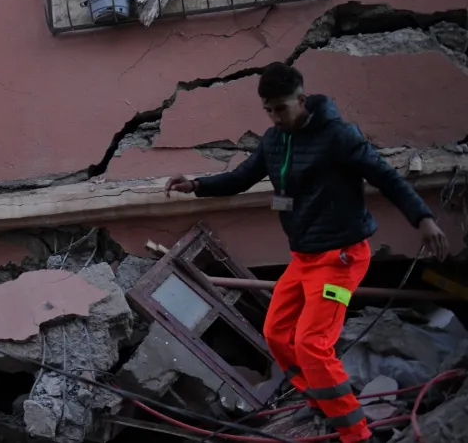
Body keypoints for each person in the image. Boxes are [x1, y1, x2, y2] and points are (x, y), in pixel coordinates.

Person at [165, 62, 448, 443]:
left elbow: (386, 177)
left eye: (281, 108)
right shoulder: (272, 140)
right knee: (277, 333)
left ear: (301, 99)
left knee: (313, 345)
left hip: (341, 258)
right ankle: (319, 400)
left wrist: (423, 219)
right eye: (268, 110)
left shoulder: (338, 137)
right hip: (304, 259)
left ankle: (356, 434)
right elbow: (241, 177)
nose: (274, 117)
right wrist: (196, 185)